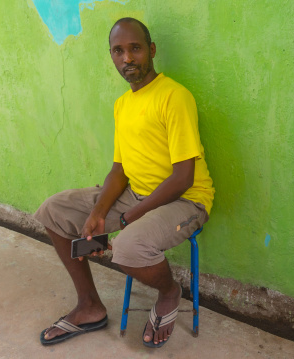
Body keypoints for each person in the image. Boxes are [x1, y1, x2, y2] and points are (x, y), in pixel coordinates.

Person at [34, 17, 214, 348]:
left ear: (151, 50)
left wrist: (127, 219)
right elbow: (119, 169)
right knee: (53, 211)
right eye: (118, 51)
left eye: (135, 49)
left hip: (185, 200)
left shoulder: (174, 96)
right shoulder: (123, 105)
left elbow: (183, 177)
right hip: (136, 194)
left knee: (128, 246)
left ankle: (169, 291)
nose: (127, 59)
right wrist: (100, 211)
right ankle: (89, 305)